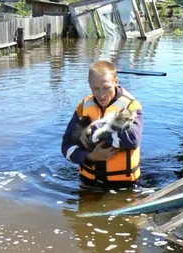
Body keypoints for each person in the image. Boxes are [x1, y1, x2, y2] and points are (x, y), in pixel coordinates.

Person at [61, 60, 144, 189]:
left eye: (106, 88)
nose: (102, 95)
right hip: (87, 182)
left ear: (116, 82)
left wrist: (94, 129)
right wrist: (89, 157)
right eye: (96, 88)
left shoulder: (131, 106)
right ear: (89, 85)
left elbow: (133, 139)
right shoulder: (84, 106)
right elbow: (66, 145)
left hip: (125, 185)